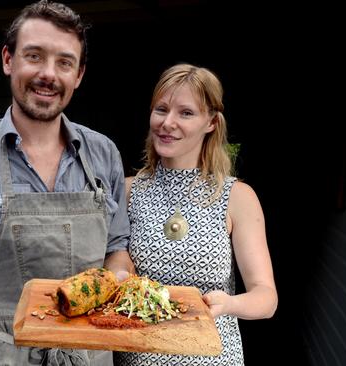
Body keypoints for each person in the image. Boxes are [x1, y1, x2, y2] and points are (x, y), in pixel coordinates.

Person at [0, 1, 134, 365]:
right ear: (8, 60)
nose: (48, 74)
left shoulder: (103, 153)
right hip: (2, 356)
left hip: (90, 356)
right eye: (34, 56)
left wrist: (116, 281)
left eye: (64, 62)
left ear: (78, 75)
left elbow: (116, 248)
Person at [114, 63, 278, 366]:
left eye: (186, 113)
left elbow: (266, 298)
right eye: (161, 109)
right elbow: (114, 262)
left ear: (211, 122)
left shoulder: (238, 197)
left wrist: (229, 303)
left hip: (211, 357)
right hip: (138, 356)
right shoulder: (127, 191)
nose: (168, 122)